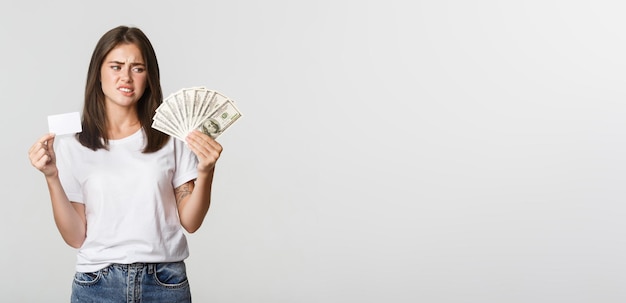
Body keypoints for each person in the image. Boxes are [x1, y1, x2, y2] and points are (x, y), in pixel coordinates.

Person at [27, 25, 222, 303]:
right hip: (97, 284)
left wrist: (206, 171)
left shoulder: (172, 136)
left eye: (138, 68)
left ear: (149, 76)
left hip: (165, 282)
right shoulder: (72, 143)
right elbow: (75, 237)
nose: (126, 78)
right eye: (116, 67)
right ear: (99, 72)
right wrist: (51, 176)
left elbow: (191, 222)